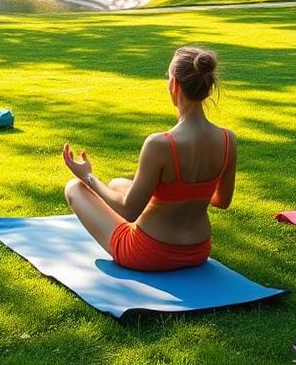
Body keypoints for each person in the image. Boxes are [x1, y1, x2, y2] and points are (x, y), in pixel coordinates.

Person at [62, 46, 237, 271]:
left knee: (73, 188)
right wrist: (190, 190)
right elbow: (222, 201)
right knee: (117, 184)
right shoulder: (227, 139)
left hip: (148, 253)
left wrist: (88, 176)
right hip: (197, 251)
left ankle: (83, 183)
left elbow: (128, 211)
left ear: (174, 85)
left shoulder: (161, 144)